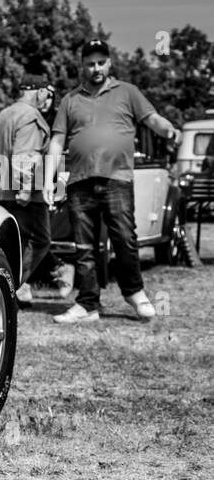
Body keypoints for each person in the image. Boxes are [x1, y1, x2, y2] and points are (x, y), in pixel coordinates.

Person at [48, 39, 179, 323]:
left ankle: (135, 293)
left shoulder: (127, 92)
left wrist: (168, 130)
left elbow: (152, 118)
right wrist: (49, 179)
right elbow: (57, 141)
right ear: (81, 66)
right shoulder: (70, 100)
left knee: (124, 238)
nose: (95, 68)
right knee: (84, 247)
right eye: (89, 63)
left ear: (109, 63)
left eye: (100, 62)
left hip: (117, 179)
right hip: (79, 182)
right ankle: (87, 304)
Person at [0, 73, 54, 305]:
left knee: (12, 245)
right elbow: (26, 156)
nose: (49, 99)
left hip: (1, 191)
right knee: (40, 240)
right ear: (40, 91)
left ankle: (9, 291)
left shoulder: (4, 115)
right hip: (23, 195)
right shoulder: (31, 116)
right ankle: (9, 289)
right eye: (49, 93)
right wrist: (25, 190)